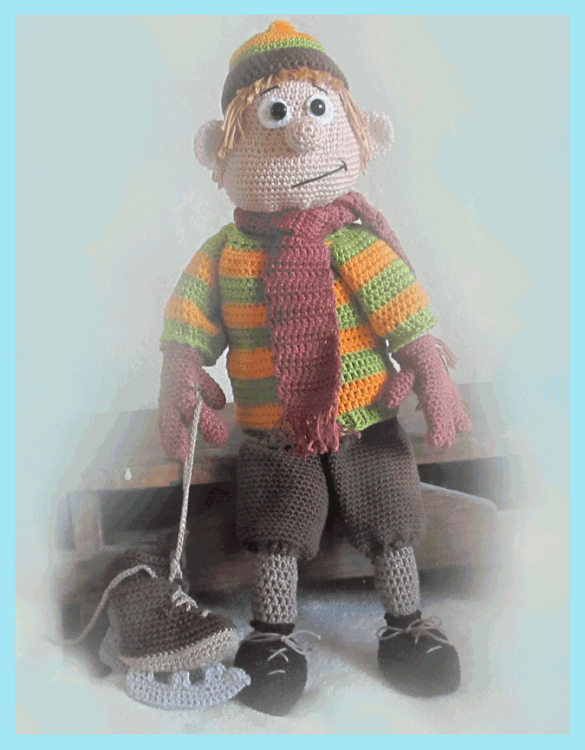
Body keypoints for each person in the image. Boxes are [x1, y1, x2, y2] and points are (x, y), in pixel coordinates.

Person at [158, 20, 471, 716]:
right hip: (274, 429)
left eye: (318, 111)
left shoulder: (354, 244)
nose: (299, 134)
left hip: (366, 419)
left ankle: (406, 626)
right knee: (276, 523)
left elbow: (403, 311)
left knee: (390, 512)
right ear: (220, 150)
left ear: (359, 133)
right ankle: (272, 638)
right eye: (275, 115)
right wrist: (179, 367)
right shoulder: (225, 254)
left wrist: (429, 365)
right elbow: (189, 320)